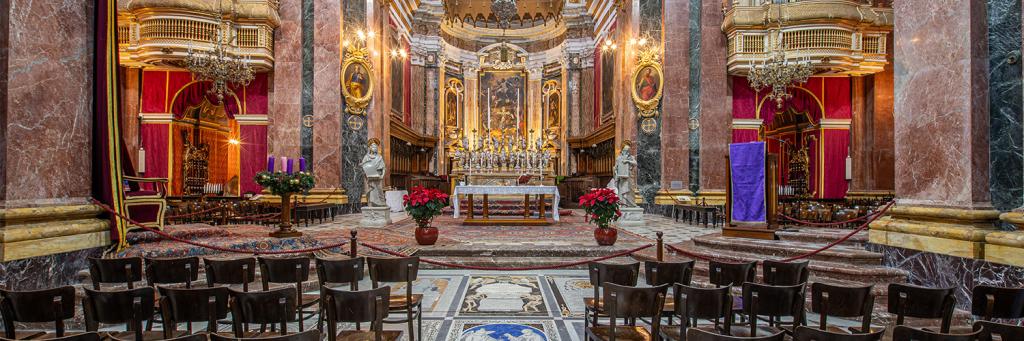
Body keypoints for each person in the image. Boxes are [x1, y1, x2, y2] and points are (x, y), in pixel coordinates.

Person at [607, 142, 638, 207]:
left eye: (628, 150)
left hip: (629, 176)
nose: (626, 151)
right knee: (622, 190)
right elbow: (616, 167)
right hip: (622, 177)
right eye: (625, 150)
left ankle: (631, 204)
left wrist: (628, 161)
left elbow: (635, 163)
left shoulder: (631, 157)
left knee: (630, 190)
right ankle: (623, 204)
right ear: (622, 150)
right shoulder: (619, 158)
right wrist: (615, 169)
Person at [360, 139, 386, 207]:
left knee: (379, 191)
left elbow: (383, 168)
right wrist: (363, 166)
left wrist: (382, 176)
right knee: (371, 192)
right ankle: (371, 206)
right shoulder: (366, 157)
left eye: (376, 146)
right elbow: (363, 167)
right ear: (370, 148)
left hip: (378, 178)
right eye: (373, 146)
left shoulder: (379, 157)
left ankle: (381, 204)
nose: (375, 148)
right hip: (369, 179)